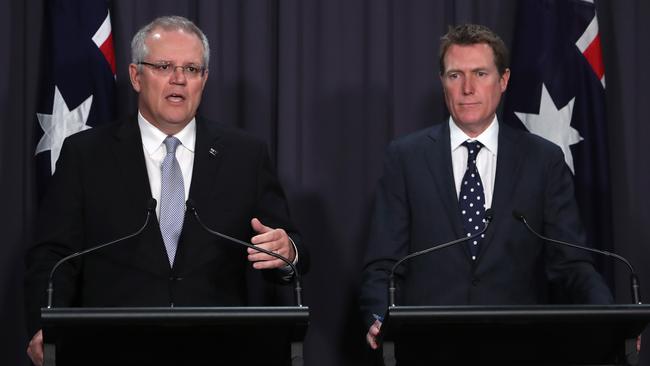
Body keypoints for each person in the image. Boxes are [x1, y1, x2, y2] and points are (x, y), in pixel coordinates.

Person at [25, 15, 308, 365]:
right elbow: (53, 254)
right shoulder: (86, 154)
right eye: (163, 66)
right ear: (135, 76)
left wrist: (287, 251)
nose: (179, 79)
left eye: (191, 69)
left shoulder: (244, 155)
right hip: (112, 349)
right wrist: (44, 324)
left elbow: (290, 248)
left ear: (204, 80)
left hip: (220, 349)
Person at [359, 23, 612, 350]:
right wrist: (379, 316)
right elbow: (382, 264)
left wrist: (609, 318)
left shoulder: (543, 160)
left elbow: (573, 263)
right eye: (455, 75)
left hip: (518, 348)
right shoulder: (405, 157)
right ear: (442, 82)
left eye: (480, 73)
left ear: (503, 80)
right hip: (427, 347)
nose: (467, 88)